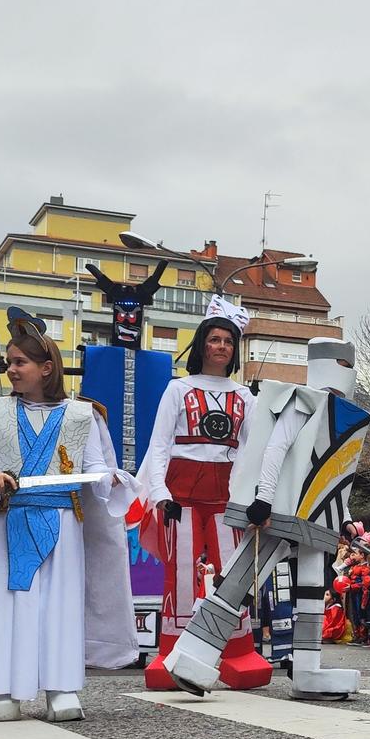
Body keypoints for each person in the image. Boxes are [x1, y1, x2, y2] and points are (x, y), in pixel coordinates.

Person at [0, 316, 139, 721]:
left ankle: (61, 688)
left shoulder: (84, 415)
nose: (11, 369)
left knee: (60, 605)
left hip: (64, 522)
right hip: (6, 520)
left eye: (19, 362)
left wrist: (115, 478)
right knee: (7, 603)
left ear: (46, 368)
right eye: (9, 362)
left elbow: (97, 467)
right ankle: (2, 690)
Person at [160, 339, 369, 699]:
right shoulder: (302, 400)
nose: (342, 371)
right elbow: (277, 449)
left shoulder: (342, 413)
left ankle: (307, 668)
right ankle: (191, 654)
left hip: (316, 518)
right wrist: (264, 498)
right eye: (339, 363)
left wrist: (344, 517)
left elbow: (332, 474)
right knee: (239, 581)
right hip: (281, 509)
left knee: (310, 594)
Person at [136, 296, 262, 690]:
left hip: (228, 495)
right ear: (202, 344)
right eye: (215, 339)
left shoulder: (246, 397)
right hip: (181, 493)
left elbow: (254, 450)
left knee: (233, 574)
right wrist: (159, 493)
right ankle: (173, 653)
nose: (221, 346)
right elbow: (158, 446)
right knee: (181, 573)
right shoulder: (178, 389)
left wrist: (252, 496)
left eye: (228, 340)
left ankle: (238, 652)